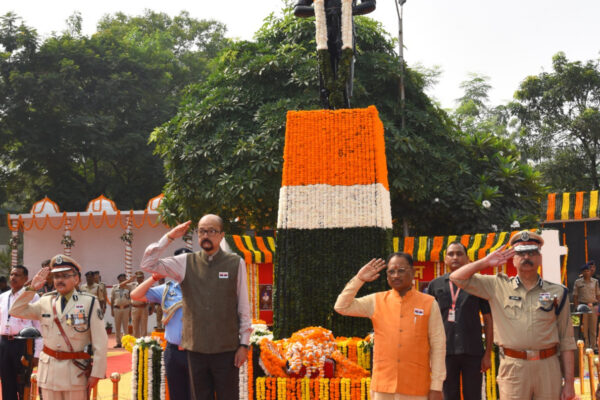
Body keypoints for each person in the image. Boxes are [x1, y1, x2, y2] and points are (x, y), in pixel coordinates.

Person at [450, 230, 576, 400]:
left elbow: (567, 339)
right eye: (521, 253)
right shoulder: (497, 286)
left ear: (539, 258)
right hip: (513, 367)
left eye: (532, 252)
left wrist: (569, 384)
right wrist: (485, 262)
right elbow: (457, 278)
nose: (526, 257)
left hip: (548, 367)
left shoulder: (558, 292)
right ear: (513, 259)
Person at [140, 215, 252, 400]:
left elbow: (243, 306)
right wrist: (169, 237)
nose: (206, 235)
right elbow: (147, 264)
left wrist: (244, 344)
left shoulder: (235, 262)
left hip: (226, 350)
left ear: (221, 235)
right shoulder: (186, 262)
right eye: (201, 231)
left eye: (211, 231)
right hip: (195, 351)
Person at [334, 253, 446, 400]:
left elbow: (438, 345)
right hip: (383, 386)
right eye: (391, 271)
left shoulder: (429, 303)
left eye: (401, 270)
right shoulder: (376, 300)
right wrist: (359, 279)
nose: (395, 275)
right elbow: (341, 307)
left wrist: (436, 387)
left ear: (412, 272)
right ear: (387, 277)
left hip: (416, 387)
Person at [10, 254, 108, 400]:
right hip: (49, 372)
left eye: (65, 276)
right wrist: (31, 289)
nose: (59, 280)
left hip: (75, 372)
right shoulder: (45, 301)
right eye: (56, 276)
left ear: (76, 279)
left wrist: (96, 373)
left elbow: (100, 341)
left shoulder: (89, 302)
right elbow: (15, 310)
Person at [427, 242, 493, 400]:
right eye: (451, 254)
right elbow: (427, 321)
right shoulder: (434, 285)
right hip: (445, 352)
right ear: (445, 259)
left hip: (473, 351)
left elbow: (488, 320)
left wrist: (488, 354)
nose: (455, 257)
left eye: (459, 254)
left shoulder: (478, 284)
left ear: (468, 259)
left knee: (473, 395)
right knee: (449, 396)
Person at [131, 247, 193, 400]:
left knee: (199, 394)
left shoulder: (205, 288)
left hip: (197, 352)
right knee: (177, 394)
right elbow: (135, 295)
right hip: (174, 352)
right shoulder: (167, 290)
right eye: (180, 263)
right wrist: (153, 278)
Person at [0, 265, 43, 400]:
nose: (13, 278)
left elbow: (39, 327)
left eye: (17, 275)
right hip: (4, 344)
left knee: (23, 383)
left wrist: (37, 354)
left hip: (23, 344)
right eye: (12, 274)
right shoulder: (2, 297)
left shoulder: (33, 297)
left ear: (26, 279)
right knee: (6, 383)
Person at [573, 263, 600, 350]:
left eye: (588, 271)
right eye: (585, 271)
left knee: (593, 328)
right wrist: (577, 308)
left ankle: (594, 346)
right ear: (582, 272)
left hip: (593, 306)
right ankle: (586, 346)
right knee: (584, 329)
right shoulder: (578, 282)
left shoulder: (595, 282)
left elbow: (598, 295)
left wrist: (598, 306)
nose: (587, 272)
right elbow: (575, 296)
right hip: (582, 307)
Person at [111, 273, 132, 348]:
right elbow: (112, 299)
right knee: (117, 327)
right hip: (117, 308)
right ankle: (118, 343)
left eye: (123, 278)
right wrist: (112, 310)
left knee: (125, 327)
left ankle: (125, 343)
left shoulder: (128, 288)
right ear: (118, 279)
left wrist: (130, 311)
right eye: (121, 278)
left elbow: (131, 299)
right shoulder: (114, 288)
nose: (122, 280)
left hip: (126, 308)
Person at [130, 271, 150, 337]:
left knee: (144, 327)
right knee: (135, 327)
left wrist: (151, 308)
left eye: (140, 277)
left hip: (144, 307)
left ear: (143, 278)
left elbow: (151, 296)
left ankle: (143, 343)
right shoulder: (132, 285)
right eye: (138, 278)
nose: (139, 279)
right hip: (135, 308)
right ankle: (136, 343)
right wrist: (130, 280)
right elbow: (121, 285)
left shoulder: (146, 285)